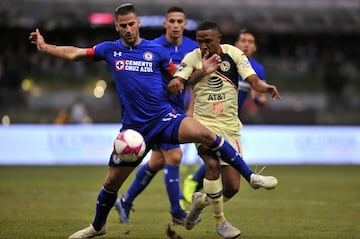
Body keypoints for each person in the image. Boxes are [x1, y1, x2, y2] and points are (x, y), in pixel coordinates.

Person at [29, 4, 280, 239]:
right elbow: (76, 53)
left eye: (131, 24)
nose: (128, 29)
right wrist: (45, 47)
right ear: (117, 27)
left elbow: (180, 79)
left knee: (206, 134)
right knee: (111, 182)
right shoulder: (109, 49)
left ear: (138, 23)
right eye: (123, 26)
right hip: (135, 131)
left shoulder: (156, 51)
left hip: (165, 118)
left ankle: (251, 177)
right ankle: (98, 226)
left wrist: (199, 73)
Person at [170, 22, 280, 238]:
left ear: (219, 39)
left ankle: (201, 201)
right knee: (211, 166)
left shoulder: (234, 54)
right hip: (203, 125)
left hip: (230, 126)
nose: (203, 45)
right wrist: (202, 72)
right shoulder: (192, 58)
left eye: (207, 41)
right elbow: (178, 82)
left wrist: (266, 88)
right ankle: (221, 223)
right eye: (200, 40)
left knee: (232, 187)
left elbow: (254, 82)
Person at [113, 6, 198, 225]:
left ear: (185, 24)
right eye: (172, 21)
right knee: (175, 157)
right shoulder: (155, 47)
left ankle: (126, 200)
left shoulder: (193, 48)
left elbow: (195, 81)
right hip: (159, 112)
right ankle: (177, 211)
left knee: (158, 161)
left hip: (179, 109)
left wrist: (191, 109)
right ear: (165, 24)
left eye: (180, 21)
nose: (176, 25)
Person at [182, 28, 267, 204]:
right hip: (208, 117)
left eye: (250, 42)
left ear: (255, 47)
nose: (246, 44)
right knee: (213, 162)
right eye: (243, 40)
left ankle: (202, 198)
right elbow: (199, 88)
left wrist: (258, 99)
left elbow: (261, 98)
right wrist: (191, 110)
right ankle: (194, 183)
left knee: (230, 181)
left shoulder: (257, 70)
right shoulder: (221, 59)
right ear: (236, 44)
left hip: (230, 119)